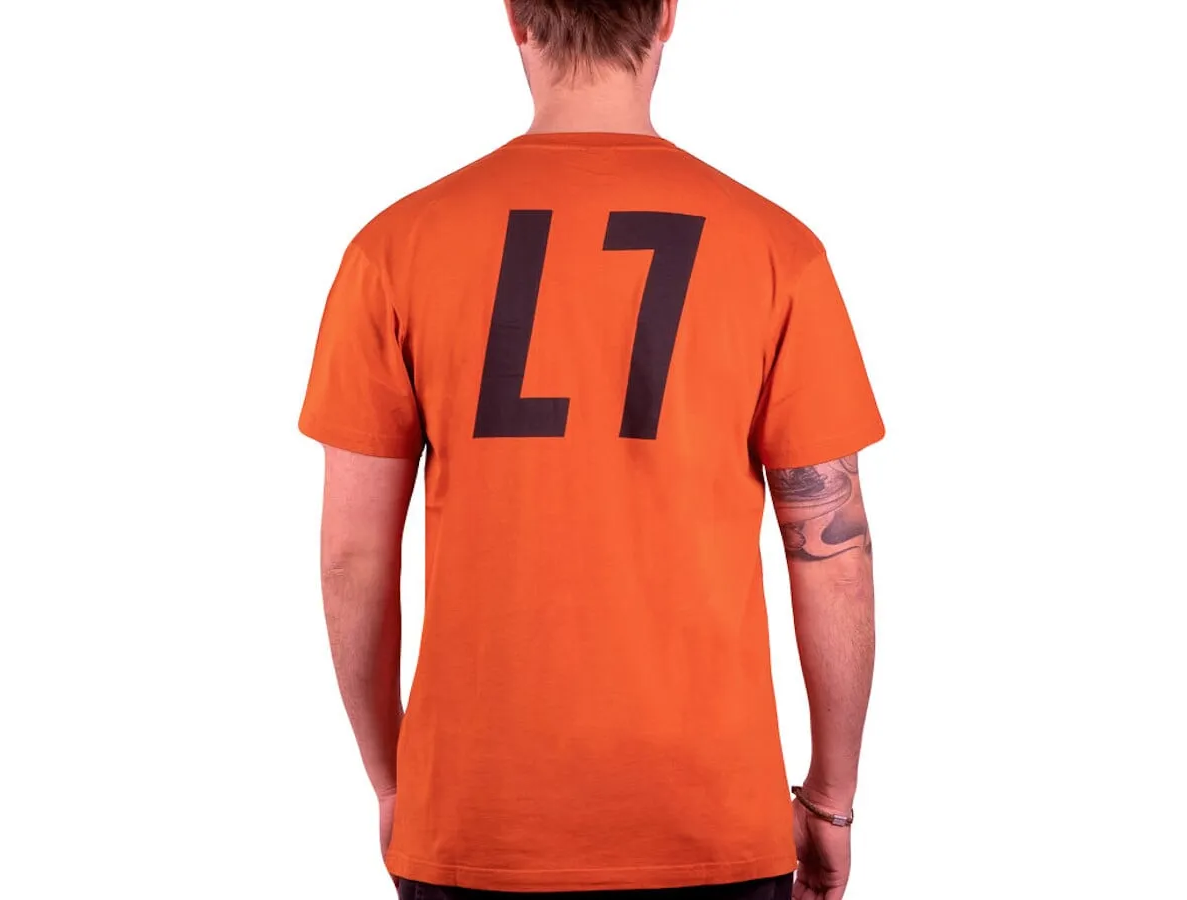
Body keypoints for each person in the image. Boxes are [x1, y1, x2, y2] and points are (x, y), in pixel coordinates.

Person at [299, 2, 883, 898]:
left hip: (477, 814)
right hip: (710, 816)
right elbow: (832, 555)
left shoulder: (394, 248)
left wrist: (391, 781)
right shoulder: (777, 250)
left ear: (515, 17)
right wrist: (831, 800)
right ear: (666, 15)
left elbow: (351, 555)